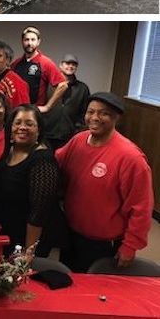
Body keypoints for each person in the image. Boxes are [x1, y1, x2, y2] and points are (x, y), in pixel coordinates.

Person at [56, 92, 153, 272]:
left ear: (116, 117)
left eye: (104, 113)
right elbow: (54, 162)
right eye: (90, 112)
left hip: (103, 245)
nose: (95, 118)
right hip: (71, 234)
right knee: (69, 285)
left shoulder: (131, 158)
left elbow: (142, 207)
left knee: (96, 295)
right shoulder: (78, 140)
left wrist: (130, 246)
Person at [0, 104, 59, 255]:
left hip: (30, 240)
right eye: (18, 123)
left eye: (29, 123)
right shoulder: (10, 150)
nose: (22, 127)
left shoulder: (42, 159)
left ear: (39, 130)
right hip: (8, 234)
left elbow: (39, 212)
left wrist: (29, 251)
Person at [11, 26, 67, 114]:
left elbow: (63, 85)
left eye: (33, 40)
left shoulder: (45, 62)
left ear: (38, 42)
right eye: (26, 40)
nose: (29, 43)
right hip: (17, 112)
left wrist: (47, 107)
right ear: (22, 41)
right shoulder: (16, 63)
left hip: (34, 113)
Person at [43, 54, 90, 152]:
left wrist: (77, 130)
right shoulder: (48, 85)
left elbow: (85, 112)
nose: (71, 66)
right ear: (60, 65)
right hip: (47, 134)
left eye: (74, 64)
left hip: (68, 136)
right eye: (67, 63)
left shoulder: (82, 88)